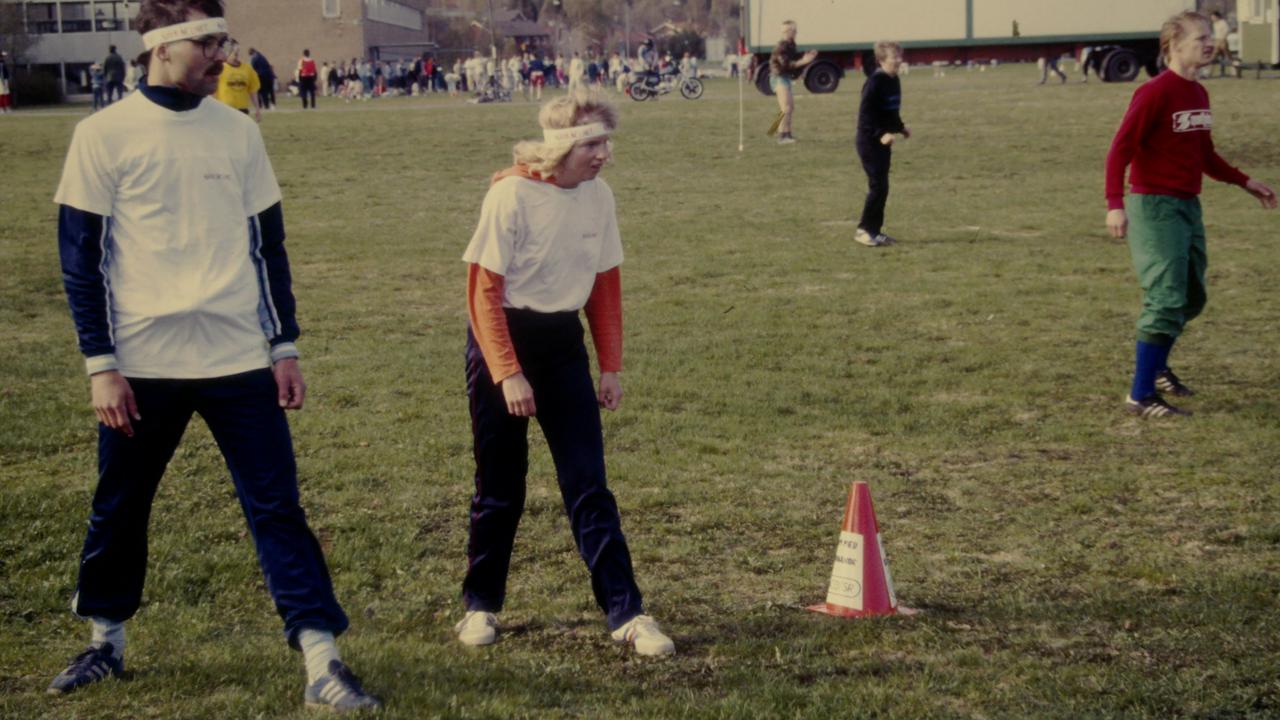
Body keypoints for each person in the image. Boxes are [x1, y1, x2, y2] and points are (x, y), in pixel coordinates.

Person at [48, 1, 380, 711]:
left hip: (238, 359)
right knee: (121, 505)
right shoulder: (102, 134)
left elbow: (268, 247)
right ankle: (106, 642)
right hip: (141, 365)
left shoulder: (238, 132)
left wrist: (283, 343)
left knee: (277, 508)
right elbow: (82, 261)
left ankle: (322, 661)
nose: (223, 56)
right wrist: (100, 364)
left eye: (223, 40)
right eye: (207, 41)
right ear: (160, 45)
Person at [456, 91, 675, 657]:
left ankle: (627, 613)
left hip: (561, 348)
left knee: (588, 484)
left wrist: (610, 365)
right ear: (561, 146)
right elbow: (482, 291)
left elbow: (605, 285)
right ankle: (480, 605)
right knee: (501, 487)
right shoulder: (511, 195)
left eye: (607, 142)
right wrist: (507, 374)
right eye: (593, 143)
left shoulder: (599, 197)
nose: (604, 154)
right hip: (501, 342)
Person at [1104, 11, 1276, 418]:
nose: (1209, 43)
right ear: (1173, 45)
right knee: (1165, 297)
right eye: (1199, 38)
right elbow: (1119, 149)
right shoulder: (1155, 92)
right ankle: (1140, 395)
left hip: (1186, 204)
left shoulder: (1198, 92)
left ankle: (1158, 364)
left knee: (1192, 296)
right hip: (1154, 205)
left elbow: (1205, 155)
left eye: (1208, 37)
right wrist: (1115, 204)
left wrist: (1245, 181)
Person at [854, 41, 910, 247]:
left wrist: (901, 127)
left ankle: (875, 231)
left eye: (899, 56)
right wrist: (881, 134)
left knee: (883, 188)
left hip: (883, 142)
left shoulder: (894, 80)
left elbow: (891, 110)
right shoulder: (874, 82)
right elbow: (865, 117)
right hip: (869, 141)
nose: (898, 60)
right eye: (894, 57)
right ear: (881, 60)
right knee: (877, 187)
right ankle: (863, 230)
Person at [768, 20, 817, 144]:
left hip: (785, 77)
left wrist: (806, 57)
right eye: (793, 30)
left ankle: (787, 134)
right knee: (785, 108)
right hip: (779, 77)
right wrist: (804, 61)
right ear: (786, 32)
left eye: (795, 30)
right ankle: (780, 136)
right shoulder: (781, 46)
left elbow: (794, 61)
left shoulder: (791, 45)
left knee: (789, 107)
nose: (795, 33)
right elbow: (786, 64)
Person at [215, 41, 261, 121]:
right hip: (224, 110)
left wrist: (257, 108)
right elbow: (211, 92)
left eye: (238, 53)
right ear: (227, 53)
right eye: (235, 54)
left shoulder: (248, 69)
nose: (237, 57)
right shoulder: (219, 69)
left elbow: (253, 91)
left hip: (242, 111)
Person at [1209, 11, 1232, 77]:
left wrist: (1223, 40)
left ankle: (1234, 71)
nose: (1212, 19)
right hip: (1217, 41)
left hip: (1223, 41)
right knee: (1213, 57)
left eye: (1213, 17)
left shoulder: (1223, 22)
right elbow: (1216, 34)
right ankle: (1210, 73)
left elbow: (1227, 31)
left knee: (1227, 56)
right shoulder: (1214, 24)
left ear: (1217, 17)